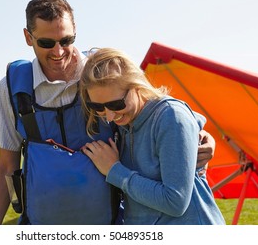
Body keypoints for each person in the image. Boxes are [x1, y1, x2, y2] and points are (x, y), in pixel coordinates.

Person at [0, 0, 216, 225]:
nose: (58, 52)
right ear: (28, 37)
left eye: (66, 40)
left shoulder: (106, 70)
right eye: (46, 43)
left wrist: (200, 132)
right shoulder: (12, 87)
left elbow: (154, 106)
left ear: (75, 30)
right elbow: (7, 165)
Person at [79, 48, 225, 225]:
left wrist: (114, 171)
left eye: (116, 104)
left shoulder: (170, 118)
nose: (109, 116)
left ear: (137, 86)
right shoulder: (124, 121)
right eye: (98, 107)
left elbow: (175, 202)